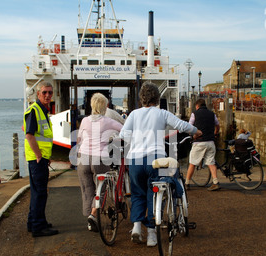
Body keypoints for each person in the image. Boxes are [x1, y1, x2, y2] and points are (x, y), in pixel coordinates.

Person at [119, 82, 202, 247]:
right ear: (157, 98)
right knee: (155, 194)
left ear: (141, 98)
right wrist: (196, 131)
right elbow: (181, 125)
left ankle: (136, 227)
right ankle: (151, 234)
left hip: (135, 160)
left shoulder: (134, 114)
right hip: (155, 159)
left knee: (137, 193)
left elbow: (123, 135)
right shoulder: (162, 113)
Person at [77, 93, 123, 232]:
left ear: (91, 105)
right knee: (102, 187)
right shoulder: (107, 121)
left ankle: (91, 221)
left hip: (83, 156)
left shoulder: (85, 120)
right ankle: (93, 214)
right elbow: (125, 130)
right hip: (99, 157)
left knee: (87, 188)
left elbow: (79, 138)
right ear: (105, 106)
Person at [24, 81, 59, 237]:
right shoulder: (35, 110)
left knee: (36, 191)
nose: (47, 95)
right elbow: (29, 135)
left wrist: (44, 156)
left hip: (40, 159)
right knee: (40, 193)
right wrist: (39, 155)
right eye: (44, 92)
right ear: (38, 94)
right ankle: (38, 227)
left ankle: (35, 222)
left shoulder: (41, 110)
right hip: (37, 160)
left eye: (50, 93)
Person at [185, 98, 220, 191]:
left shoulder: (194, 114)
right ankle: (215, 182)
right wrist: (215, 133)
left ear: (197, 106)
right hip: (210, 142)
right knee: (211, 162)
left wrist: (193, 135)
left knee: (192, 163)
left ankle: (187, 183)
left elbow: (189, 127)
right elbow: (217, 125)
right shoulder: (212, 114)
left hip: (199, 142)